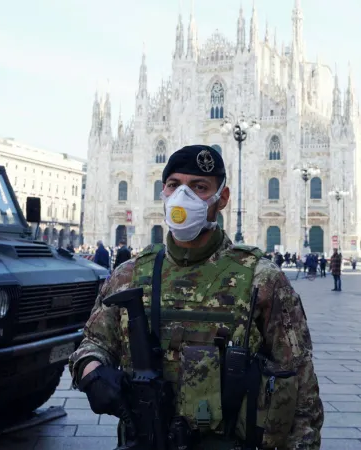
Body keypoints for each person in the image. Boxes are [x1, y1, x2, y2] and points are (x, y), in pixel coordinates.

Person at [68, 145, 323, 450]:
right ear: (163, 192)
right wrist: (92, 373)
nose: (183, 197)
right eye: (174, 185)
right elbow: (92, 344)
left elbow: (301, 388)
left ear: (222, 198)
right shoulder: (128, 274)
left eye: (200, 187)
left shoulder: (262, 279)